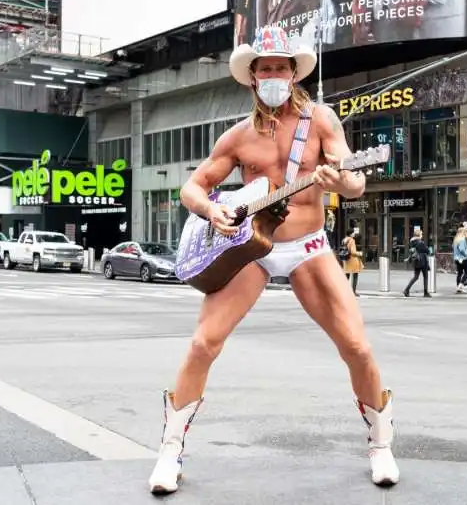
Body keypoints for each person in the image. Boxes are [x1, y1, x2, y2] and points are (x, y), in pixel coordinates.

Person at [147, 26, 399, 495]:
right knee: (204, 344)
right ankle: (169, 451)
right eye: (265, 69)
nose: (274, 75)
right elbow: (192, 187)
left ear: (293, 72)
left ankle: (381, 442)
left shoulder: (322, 121)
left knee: (358, 348)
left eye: (281, 67)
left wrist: (340, 182)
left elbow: (355, 182)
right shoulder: (238, 137)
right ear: (252, 78)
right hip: (252, 251)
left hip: (308, 248)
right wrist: (212, 209)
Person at [403, 228, 430, 297]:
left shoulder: (412, 242)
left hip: (416, 261)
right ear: (418, 235)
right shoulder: (420, 243)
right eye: (421, 234)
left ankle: (406, 289)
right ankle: (426, 292)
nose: (422, 235)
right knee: (425, 276)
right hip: (423, 261)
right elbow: (427, 251)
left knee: (416, 277)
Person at [341, 227, 363, 296]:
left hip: (346, 259)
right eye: (353, 232)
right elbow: (353, 252)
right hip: (352, 260)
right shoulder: (352, 240)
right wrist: (359, 253)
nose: (354, 234)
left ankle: (343, 291)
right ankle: (353, 291)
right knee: (355, 275)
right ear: (350, 234)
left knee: (347, 276)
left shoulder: (344, 239)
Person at [453, 225, 467, 293]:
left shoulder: (456, 240)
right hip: (463, 258)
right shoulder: (462, 239)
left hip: (457, 259)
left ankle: (458, 287)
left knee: (459, 273)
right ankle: (461, 284)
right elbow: (462, 249)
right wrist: (466, 254)